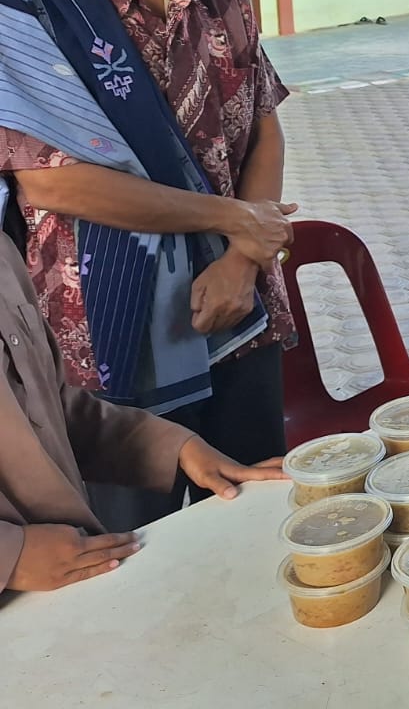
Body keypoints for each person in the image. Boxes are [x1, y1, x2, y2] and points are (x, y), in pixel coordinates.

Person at [0, 0, 297, 533]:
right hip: (109, 334)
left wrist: (240, 258)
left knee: (257, 513)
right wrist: (242, 220)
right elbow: (51, 181)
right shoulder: (26, 8)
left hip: (237, 310)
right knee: (140, 541)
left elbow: (262, 125)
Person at [1, 222, 285, 593]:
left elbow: (50, 408)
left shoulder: (5, 255)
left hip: (68, 574)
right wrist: (13, 557)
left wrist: (178, 448)